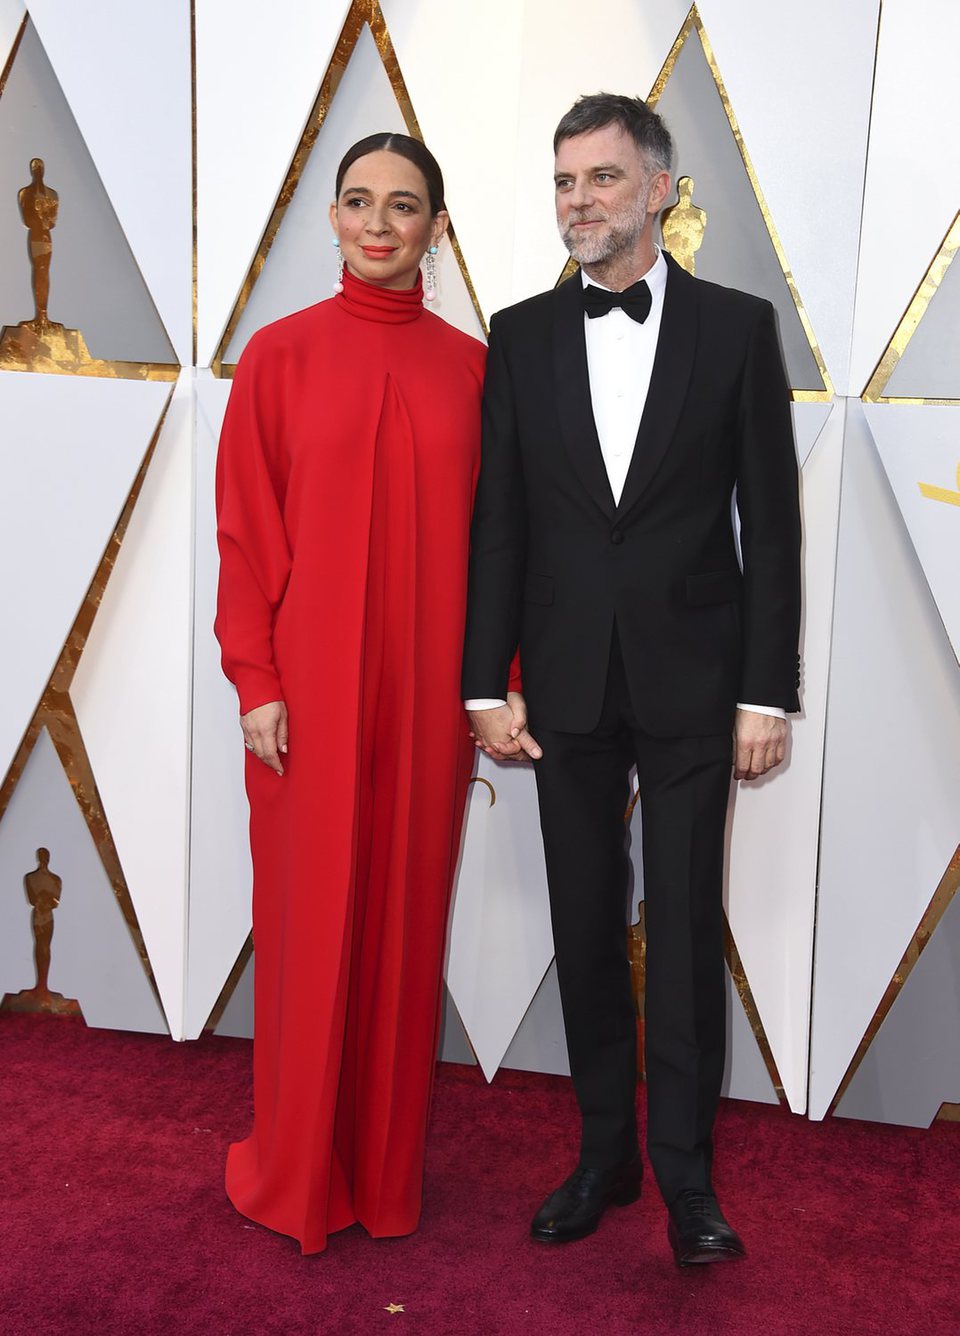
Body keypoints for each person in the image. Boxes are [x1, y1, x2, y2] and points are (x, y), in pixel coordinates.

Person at [463, 94, 800, 1266]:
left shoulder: (739, 327)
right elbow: (498, 521)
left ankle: (690, 1186)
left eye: (601, 179)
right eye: (563, 182)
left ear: (660, 188)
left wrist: (768, 690)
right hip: (559, 683)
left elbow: (774, 519)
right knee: (584, 921)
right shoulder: (521, 335)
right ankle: (603, 1156)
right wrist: (480, 684)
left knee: (687, 931)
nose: (578, 202)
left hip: (701, 680)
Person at [215, 132, 486, 1255]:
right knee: (308, 928)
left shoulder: (476, 369)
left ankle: (383, 1176)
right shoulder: (276, 358)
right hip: (306, 704)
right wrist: (256, 680)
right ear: (330, 217)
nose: (380, 224)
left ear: (436, 228)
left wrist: (496, 685)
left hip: (430, 704)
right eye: (359, 202)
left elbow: (502, 546)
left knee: (403, 928)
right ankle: (294, 1173)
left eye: (405, 206)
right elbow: (244, 536)